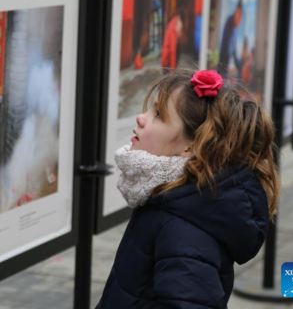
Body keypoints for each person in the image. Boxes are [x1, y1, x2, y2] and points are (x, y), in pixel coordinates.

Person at [96, 69, 280, 308]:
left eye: (159, 115)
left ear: (190, 147)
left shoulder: (182, 228)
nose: (141, 118)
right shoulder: (173, 197)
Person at [217, 0, 244, 79]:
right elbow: (226, 46)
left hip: (226, 65)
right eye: (239, 15)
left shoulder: (234, 30)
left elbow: (234, 51)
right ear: (236, 12)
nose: (240, 20)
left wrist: (240, 66)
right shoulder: (230, 22)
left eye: (241, 16)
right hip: (223, 64)